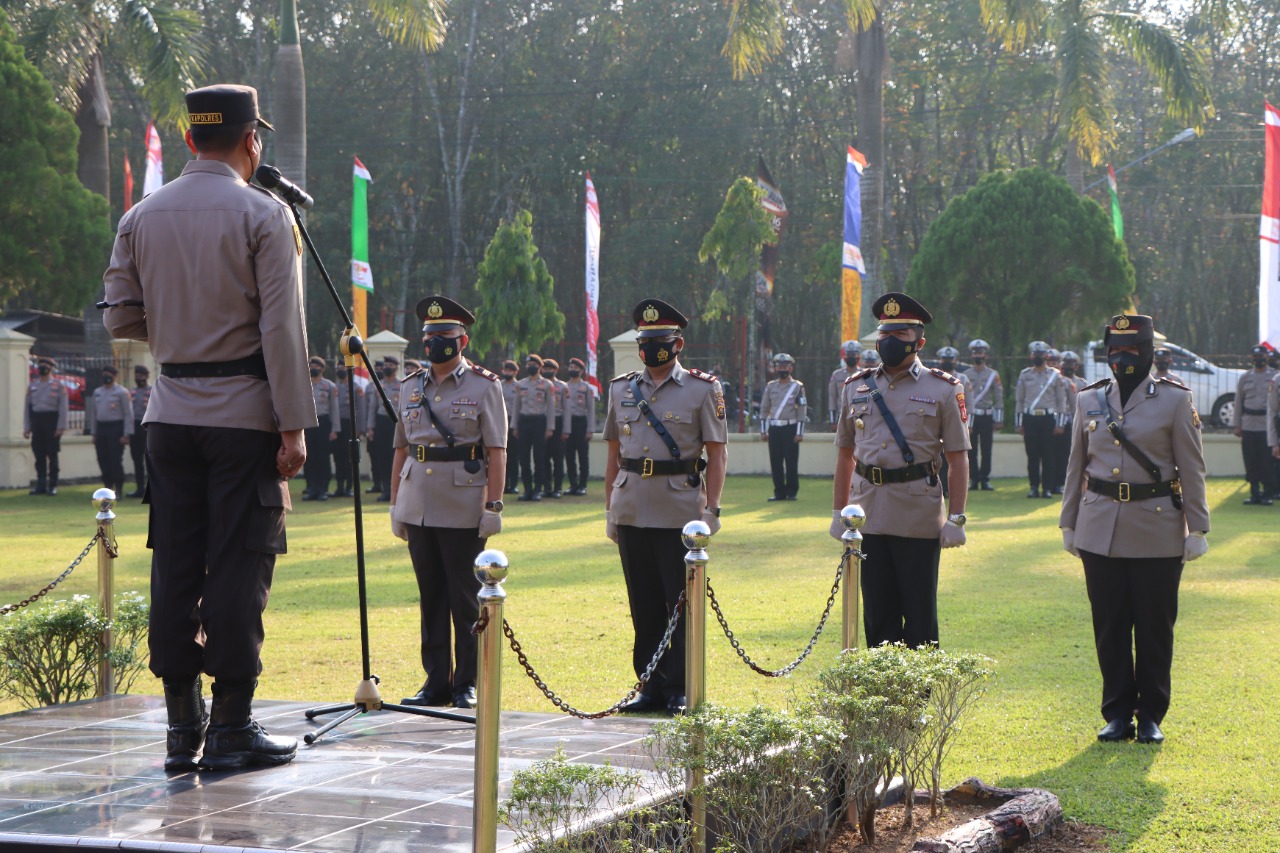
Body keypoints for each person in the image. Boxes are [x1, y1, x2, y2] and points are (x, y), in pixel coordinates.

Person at [102, 83, 312, 771]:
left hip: (169, 414)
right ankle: (230, 726)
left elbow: (120, 319)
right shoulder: (264, 214)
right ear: (253, 141)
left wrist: (179, 320)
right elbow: (281, 331)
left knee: (175, 563)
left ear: (191, 139)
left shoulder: (140, 215)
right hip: (243, 414)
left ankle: (179, 726)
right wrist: (293, 426)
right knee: (240, 559)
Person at [1060, 314, 1209, 744]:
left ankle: (1151, 715)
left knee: (1154, 626)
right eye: (1115, 349)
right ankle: (1117, 713)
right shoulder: (1089, 399)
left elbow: (1192, 468)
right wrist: (1068, 521)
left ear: (1148, 352)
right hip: (1098, 525)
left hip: (1157, 527)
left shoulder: (1175, 400)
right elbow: (1075, 466)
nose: (1123, 357)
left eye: (1132, 349)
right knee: (1109, 625)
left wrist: (1197, 528)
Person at [605, 299, 728, 715]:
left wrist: (711, 511)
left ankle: (679, 685)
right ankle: (649, 684)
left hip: (679, 510)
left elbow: (718, 452)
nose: (652, 348)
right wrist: (610, 509)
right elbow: (613, 453)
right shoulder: (621, 388)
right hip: (631, 507)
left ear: (678, 344)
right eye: (646, 341)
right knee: (642, 603)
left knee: (681, 603)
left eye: (660, 341)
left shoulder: (702, 388)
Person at [830, 292, 969, 649]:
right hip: (867, 514)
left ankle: (917, 702)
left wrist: (956, 518)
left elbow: (958, 457)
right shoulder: (855, 387)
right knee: (878, 612)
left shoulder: (943, 388)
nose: (889, 342)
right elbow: (845, 455)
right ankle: (885, 698)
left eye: (900, 334)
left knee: (920, 611)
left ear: (919, 341)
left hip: (917, 515)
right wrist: (837, 512)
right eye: (885, 334)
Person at [391, 296, 507, 710]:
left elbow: (496, 451)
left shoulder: (484, 385)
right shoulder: (409, 386)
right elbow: (401, 449)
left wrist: (493, 507)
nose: (437, 342)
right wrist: (395, 505)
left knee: (465, 596)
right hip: (418, 502)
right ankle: (436, 681)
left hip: (463, 504)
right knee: (431, 596)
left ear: (463, 340)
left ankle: (466, 683)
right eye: (431, 336)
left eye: (445, 336)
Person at [1015, 340, 1067, 498]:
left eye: (1040, 354)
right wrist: (1019, 423)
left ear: (1046, 356)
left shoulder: (1054, 375)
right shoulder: (1025, 375)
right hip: (1030, 418)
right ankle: (1033, 487)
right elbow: (1019, 400)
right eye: (1035, 354)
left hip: (1048, 419)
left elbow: (1061, 401)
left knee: (1048, 455)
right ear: (1031, 356)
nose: (1037, 357)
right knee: (1032, 455)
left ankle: (1047, 488)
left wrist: (1060, 423)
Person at [759, 352, 806, 501]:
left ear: (790, 368)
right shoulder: (770, 386)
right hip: (774, 429)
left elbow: (802, 410)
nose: (782, 369)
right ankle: (779, 492)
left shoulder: (798, 387)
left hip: (790, 428)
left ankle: (792, 492)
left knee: (791, 462)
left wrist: (799, 433)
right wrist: (763, 430)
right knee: (776, 462)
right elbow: (764, 408)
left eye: (785, 366)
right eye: (779, 366)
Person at [512, 353, 556, 501]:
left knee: (539, 458)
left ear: (540, 367)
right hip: (524, 422)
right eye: (529, 364)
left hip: (539, 422)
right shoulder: (520, 384)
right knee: (523, 458)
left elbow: (551, 408)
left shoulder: (547, 385)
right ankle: (527, 490)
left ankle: (538, 490)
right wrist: (514, 426)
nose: (531, 367)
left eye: (534, 365)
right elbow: (516, 406)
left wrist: (550, 428)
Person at [1235, 345, 1275, 505]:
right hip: (1249, 424)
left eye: (1261, 357)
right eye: (1255, 357)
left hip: (1267, 425)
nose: (1258, 360)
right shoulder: (1245, 377)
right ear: (1251, 359)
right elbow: (1238, 402)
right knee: (1251, 460)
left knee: (1267, 461)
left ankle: (1267, 494)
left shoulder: (1274, 376)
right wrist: (1237, 424)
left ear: (1267, 358)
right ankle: (1254, 493)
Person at [24, 355, 69, 496]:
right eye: (40, 365)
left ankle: (52, 485)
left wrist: (60, 427)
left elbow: (63, 408)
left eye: (45, 366)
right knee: (39, 455)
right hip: (37, 421)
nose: (42, 368)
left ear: (51, 368)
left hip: (52, 421)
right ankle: (41, 485)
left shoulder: (58, 385)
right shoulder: (32, 386)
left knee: (52, 454)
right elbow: (28, 408)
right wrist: (27, 427)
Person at [88, 365, 133, 496]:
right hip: (101, 428)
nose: (106, 377)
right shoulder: (98, 392)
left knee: (115, 460)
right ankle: (107, 488)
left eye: (109, 374)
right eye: (104, 374)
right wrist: (94, 433)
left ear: (115, 376)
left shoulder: (121, 392)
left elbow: (128, 414)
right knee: (102, 459)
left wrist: (126, 434)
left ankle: (118, 489)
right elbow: (94, 414)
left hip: (116, 428)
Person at [965, 339, 1002, 491]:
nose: (977, 355)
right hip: (972, 417)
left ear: (985, 355)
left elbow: (999, 397)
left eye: (980, 353)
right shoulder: (966, 375)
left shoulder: (993, 375)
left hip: (987, 415)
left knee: (986, 449)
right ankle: (974, 479)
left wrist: (998, 419)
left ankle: (985, 479)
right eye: (975, 353)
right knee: (971, 450)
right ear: (972, 355)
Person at [934, 346, 970, 497]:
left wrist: (968, 423)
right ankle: (942, 488)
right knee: (940, 458)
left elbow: (969, 404)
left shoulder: (963, 379)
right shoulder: (934, 378)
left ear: (956, 360)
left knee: (958, 457)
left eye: (950, 360)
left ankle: (956, 490)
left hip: (957, 422)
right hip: (938, 422)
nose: (947, 362)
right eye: (945, 359)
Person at [303, 356, 340, 501]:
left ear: (323, 369)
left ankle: (323, 489)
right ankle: (312, 488)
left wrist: (334, 429)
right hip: (307, 423)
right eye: (311, 366)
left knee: (323, 457)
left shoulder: (330, 386)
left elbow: (334, 409)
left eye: (316, 366)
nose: (313, 369)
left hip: (324, 423)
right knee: (309, 457)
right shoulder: (304, 385)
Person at [1048, 350, 1083, 496]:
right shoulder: (1054, 380)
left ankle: (1065, 483)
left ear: (1076, 366)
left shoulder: (1082, 383)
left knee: (1069, 455)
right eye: (1065, 363)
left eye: (1071, 364)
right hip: (1057, 422)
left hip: (1074, 422)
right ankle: (1053, 483)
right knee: (1053, 454)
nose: (1068, 366)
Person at [368, 355, 402, 502]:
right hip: (381, 422)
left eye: (391, 365)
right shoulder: (378, 385)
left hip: (396, 423)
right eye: (386, 364)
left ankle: (397, 491)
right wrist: (370, 427)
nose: (388, 367)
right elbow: (372, 408)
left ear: (396, 367)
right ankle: (385, 490)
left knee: (395, 456)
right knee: (382, 458)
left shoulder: (402, 385)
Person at [329, 361, 364, 497]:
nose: (340, 370)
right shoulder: (334, 388)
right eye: (338, 368)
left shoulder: (356, 388)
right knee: (338, 458)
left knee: (351, 458)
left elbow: (361, 410)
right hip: (338, 426)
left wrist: (361, 428)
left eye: (343, 368)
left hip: (351, 425)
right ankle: (339, 487)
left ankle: (349, 487)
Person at [564, 356, 596, 495]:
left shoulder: (587, 388)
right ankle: (573, 485)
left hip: (581, 423)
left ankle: (582, 485)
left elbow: (591, 410)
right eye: (571, 367)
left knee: (583, 456)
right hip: (567, 424)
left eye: (576, 368)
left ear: (581, 371)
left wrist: (590, 430)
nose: (573, 370)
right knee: (569, 456)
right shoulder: (565, 386)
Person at [542, 358, 569, 498]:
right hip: (542, 422)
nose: (547, 371)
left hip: (558, 423)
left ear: (556, 370)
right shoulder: (539, 385)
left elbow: (566, 409)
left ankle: (557, 488)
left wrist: (566, 430)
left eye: (550, 369)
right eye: (545, 369)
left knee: (558, 458)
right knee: (543, 457)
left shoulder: (563, 387)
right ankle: (546, 487)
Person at [128, 365, 152, 497]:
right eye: (137, 376)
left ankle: (152, 488)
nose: (138, 378)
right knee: (136, 459)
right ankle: (139, 488)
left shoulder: (153, 391)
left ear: (147, 376)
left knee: (149, 459)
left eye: (141, 376)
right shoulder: (132, 392)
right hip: (134, 427)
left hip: (147, 427)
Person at [500, 359, 521, 494]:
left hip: (515, 421)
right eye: (505, 370)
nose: (507, 373)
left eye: (510, 371)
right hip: (501, 420)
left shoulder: (519, 386)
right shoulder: (498, 385)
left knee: (514, 455)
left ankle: (513, 484)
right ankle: (504, 484)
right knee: (502, 454)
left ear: (515, 372)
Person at [828, 340, 861, 426]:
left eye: (853, 355)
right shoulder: (837, 375)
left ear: (858, 356)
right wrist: (833, 420)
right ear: (844, 356)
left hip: (861, 415)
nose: (851, 357)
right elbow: (832, 398)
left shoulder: (864, 374)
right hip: (841, 416)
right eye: (849, 354)